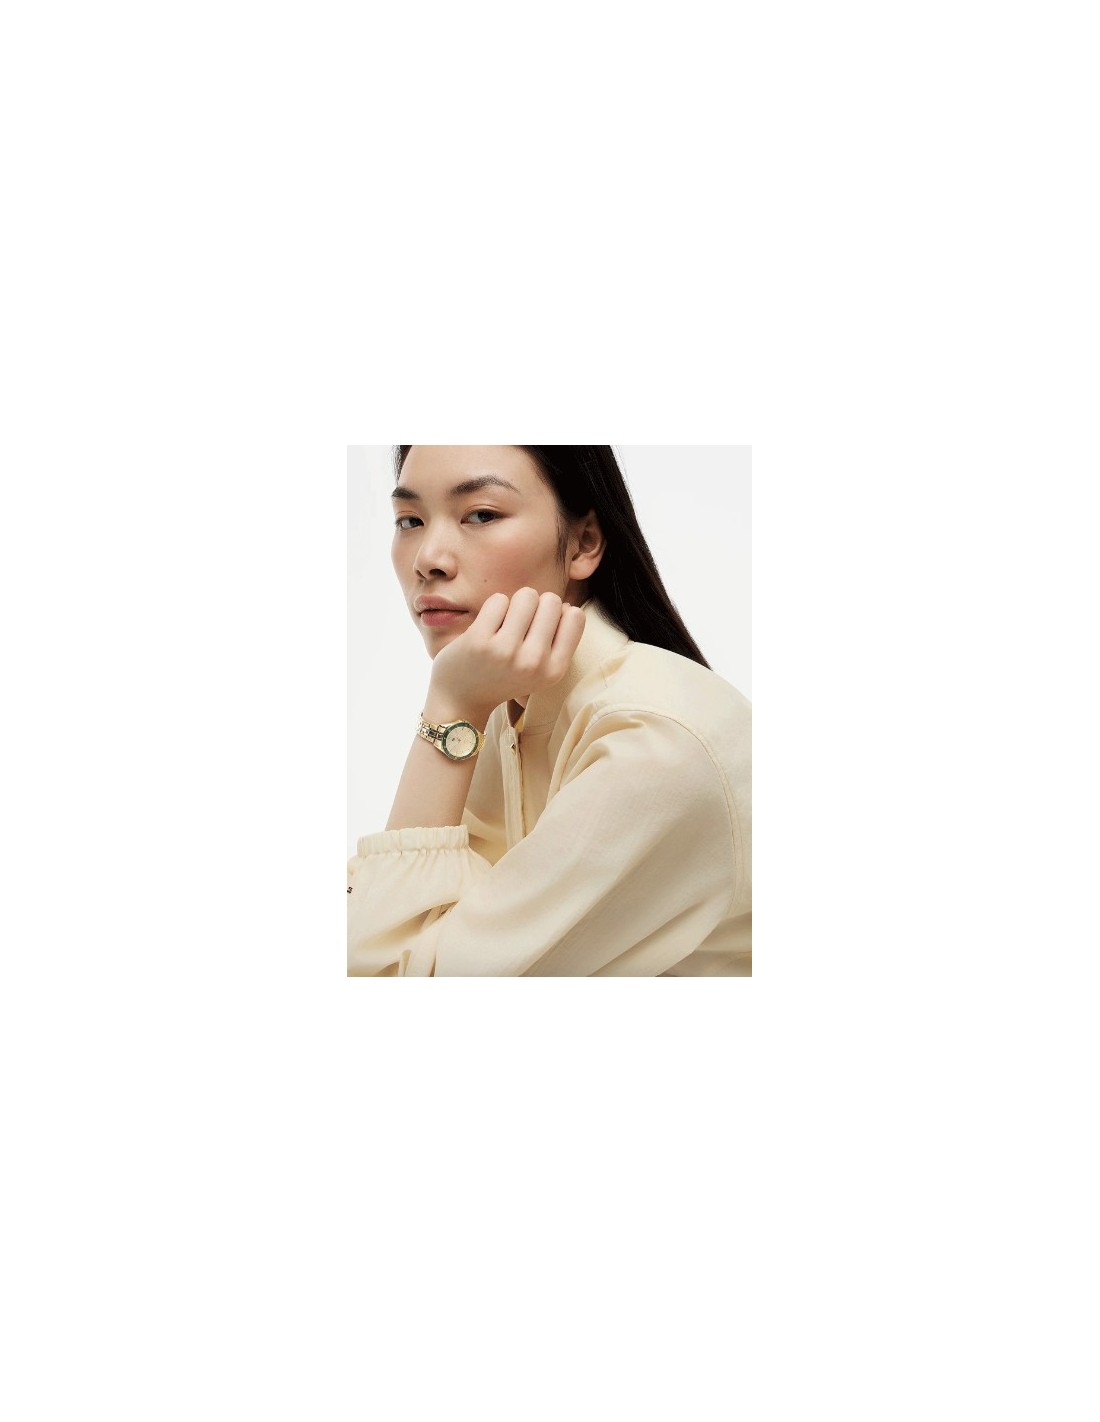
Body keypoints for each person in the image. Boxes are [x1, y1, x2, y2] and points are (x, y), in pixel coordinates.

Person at [347, 445, 751, 976]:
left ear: (584, 542)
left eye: (481, 515)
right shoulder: (507, 708)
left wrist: (449, 712)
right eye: (410, 520)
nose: (428, 559)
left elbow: (392, 975)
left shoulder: (650, 742)